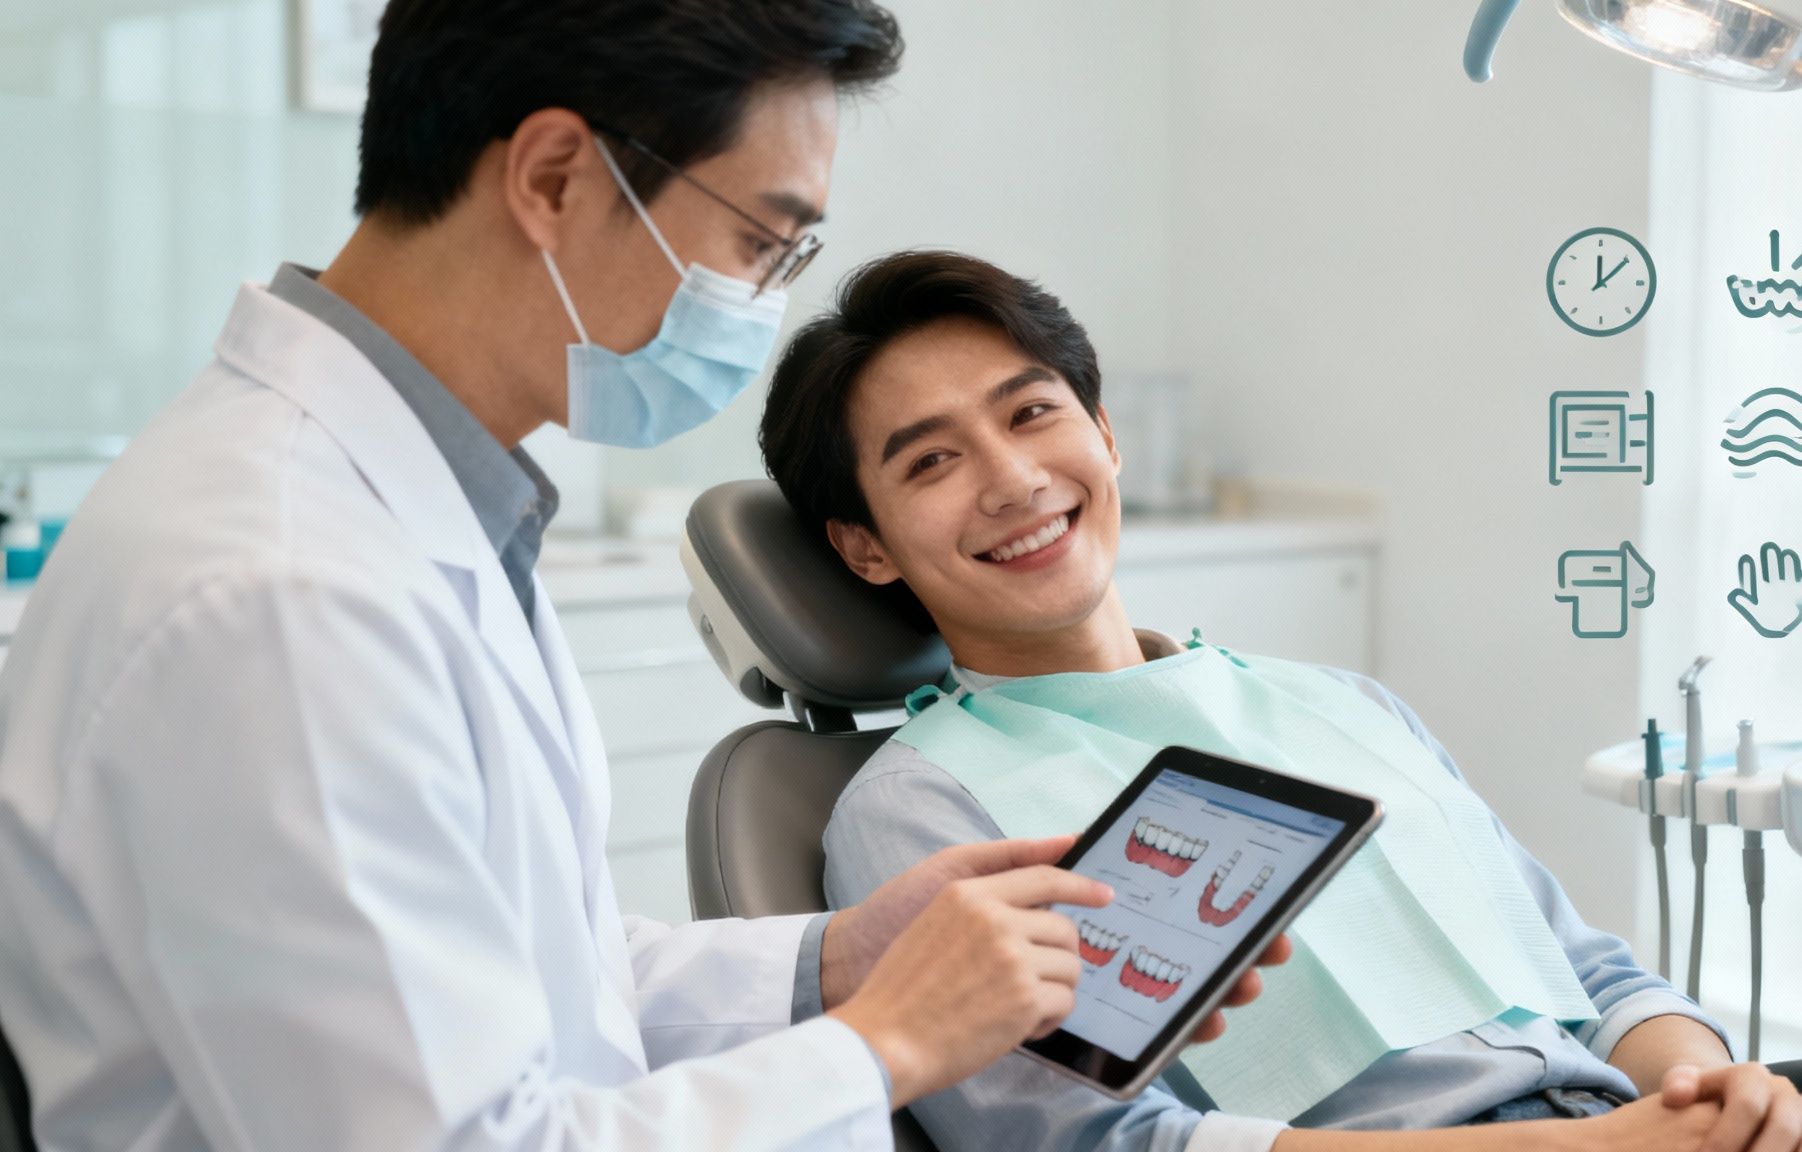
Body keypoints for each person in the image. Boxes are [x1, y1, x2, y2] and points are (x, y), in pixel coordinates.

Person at [0, 6, 1278, 1150]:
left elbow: (531, 976)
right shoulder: (280, 592)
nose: (758, 304)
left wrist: (843, 960)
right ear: (554, 176)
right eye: (761, 242)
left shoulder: (410, 512)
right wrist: (890, 1041)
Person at [758, 249, 1802, 1152]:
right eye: (932, 462)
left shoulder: (1340, 705)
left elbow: (1584, 969)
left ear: (1106, 435)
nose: (1012, 480)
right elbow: (1090, 1145)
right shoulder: (919, 810)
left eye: (1032, 412)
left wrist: (1717, 1098)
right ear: (864, 548)